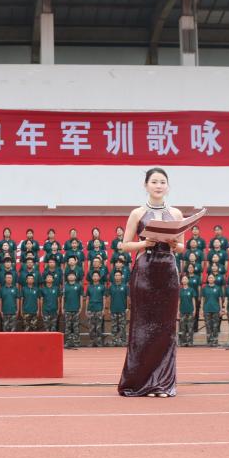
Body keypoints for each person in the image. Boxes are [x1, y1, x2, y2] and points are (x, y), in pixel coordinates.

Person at [117, 168, 184, 397]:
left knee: (166, 328)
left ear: (168, 186)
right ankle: (138, 382)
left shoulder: (175, 213)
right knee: (143, 327)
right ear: (146, 185)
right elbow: (124, 245)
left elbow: (182, 247)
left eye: (162, 182)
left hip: (168, 271)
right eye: (154, 182)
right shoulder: (137, 213)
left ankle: (162, 383)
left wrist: (174, 244)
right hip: (146, 270)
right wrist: (144, 244)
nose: (158, 186)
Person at [61, 272, 83, 349]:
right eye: (69, 275)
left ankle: (76, 342)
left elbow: (81, 297)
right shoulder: (65, 286)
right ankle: (68, 342)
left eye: (72, 275)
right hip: (67, 309)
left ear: (75, 277)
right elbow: (63, 297)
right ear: (67, 277)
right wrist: (62, 307)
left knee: (76, 327)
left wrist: (81, 307)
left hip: (76, 309)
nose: (71, 276)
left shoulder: (79, 286)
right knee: (67, 327)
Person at [86, 271, 107, 346]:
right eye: (94, 276)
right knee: (91, 327)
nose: (95, 277)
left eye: (96, 276)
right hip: (91, 308)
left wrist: (103, 309)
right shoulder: (89, 287)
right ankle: (92, 342)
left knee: (98, 327)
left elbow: (104, 298)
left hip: (99, 309)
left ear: (99, 277)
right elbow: (87, 299)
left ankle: (98, 342)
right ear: (92, 278)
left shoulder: (102, 287)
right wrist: (86, 309)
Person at [108, 270, 129, 347]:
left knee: (122, 327)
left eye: (118, 275)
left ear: (121, 277)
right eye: (116, 275)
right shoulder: (111, 287)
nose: (117, 277)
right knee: (114, 326)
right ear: (114, 277)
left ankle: (123, 341)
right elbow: (109, 298)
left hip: (122, 309)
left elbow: (127, 298)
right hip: (113, 309)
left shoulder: (125, 286)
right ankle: (114, 341)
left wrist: (127, 307)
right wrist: (109, 308)